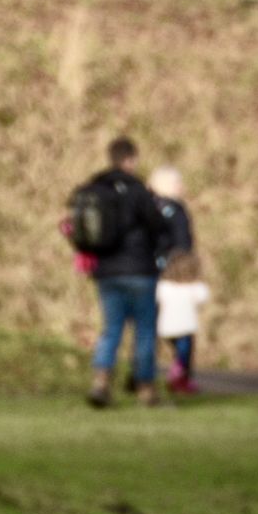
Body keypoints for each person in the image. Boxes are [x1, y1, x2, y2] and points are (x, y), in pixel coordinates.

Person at [77, 136, 165, 408]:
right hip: (140, 271)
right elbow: (157, 226)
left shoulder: (95, 188)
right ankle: (146, 390)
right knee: (145, 331)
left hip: (107, 273)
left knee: (111, 329)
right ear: (130, 160)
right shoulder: (139, 191)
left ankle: (101, 383)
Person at [156, 249, 210, 394]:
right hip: (185, 329)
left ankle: (181, 380)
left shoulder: (164, 287)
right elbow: (204, 296)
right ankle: (177, 374)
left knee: (180, 354)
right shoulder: (195, 288)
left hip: (166, 329)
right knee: (184, 355)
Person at [148, 166, 194, 267]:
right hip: (171, 266)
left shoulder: (145, 206)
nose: (182, 187)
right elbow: (182, 241)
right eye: (178, 183)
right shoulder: (175, 210)